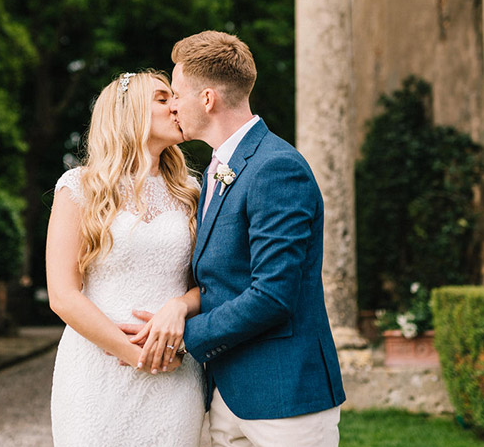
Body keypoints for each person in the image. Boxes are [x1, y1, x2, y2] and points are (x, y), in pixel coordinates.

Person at [126, 31, 346, 446]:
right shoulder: (215, 170)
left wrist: (182, 338)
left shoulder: (277, 167)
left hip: (285, 398)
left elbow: (273, 294)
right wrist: (177, 305)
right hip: (225, 393)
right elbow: (219, 280)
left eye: (176, 93)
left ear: (207, 99)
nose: (172, 105)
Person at [46, 71, 206, 447]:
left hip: (174, 368)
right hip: (95, 371)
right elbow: (63, 295)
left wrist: (180, 307)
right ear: (128, 112)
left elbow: (210, 282)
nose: (176, 106)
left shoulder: (192, 192)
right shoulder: (78, 187)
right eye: (163, 98)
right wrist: (137, 355)